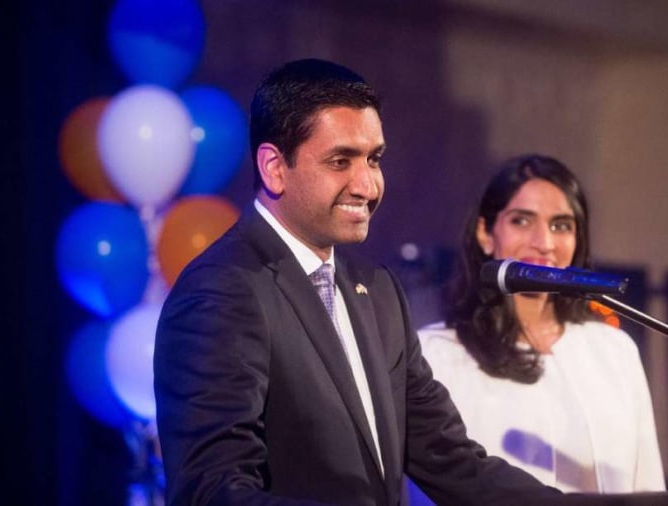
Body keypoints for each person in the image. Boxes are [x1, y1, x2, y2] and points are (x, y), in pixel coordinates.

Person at [153, 59, 561, 506]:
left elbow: (451, 460)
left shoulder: (378, 291)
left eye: (374, 159)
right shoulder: (222, 289)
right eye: (340, 161)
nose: (367, 185)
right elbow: (211, 492)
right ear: (273, 167)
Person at [418, 154, 666, 494]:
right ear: (485, 233)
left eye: (561, 225)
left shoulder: (614, 351)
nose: (544, 243)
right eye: (522, 221)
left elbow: (647, 486)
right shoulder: (436, 354)